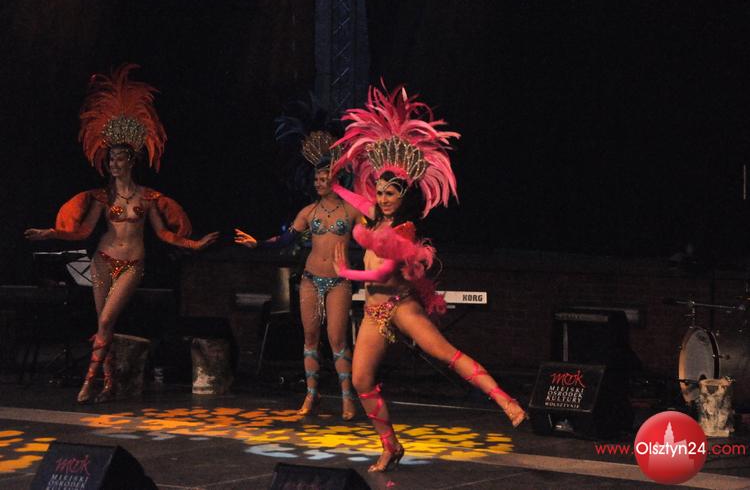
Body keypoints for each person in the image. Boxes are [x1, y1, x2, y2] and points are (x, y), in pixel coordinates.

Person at [329, 85, 527, 472]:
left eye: (391, 194)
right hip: (373, 313)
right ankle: (391, 446)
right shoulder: (374, 214)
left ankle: (506, 401)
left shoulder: (403, 230)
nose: (383, 198)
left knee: (444, 353)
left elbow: (384, 271)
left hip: (400, 306)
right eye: (380, 192)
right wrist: (334, 174)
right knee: (361, 379)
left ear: (404, 196)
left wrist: (346, 272)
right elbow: (347, 194)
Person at [24, 64, 218, 403]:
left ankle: (89, 383)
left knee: (107, 320)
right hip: (102, 260)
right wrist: (51, 232)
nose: (114, 164)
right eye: (111, 159)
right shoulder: (103, 197)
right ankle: (109, 384)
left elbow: (164, 235)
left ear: (131, 161)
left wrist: (195, 244)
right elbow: (83, 232)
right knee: (104, 324)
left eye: (119, 159)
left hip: (132, 264)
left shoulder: (148, 198)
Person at [235, 126, 362, 421]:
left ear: (336, 179)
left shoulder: (352, 211)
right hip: (310, 279)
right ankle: (311, 394)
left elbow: (372, 238)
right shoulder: (308, 212)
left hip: (339, 281)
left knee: (337, 340)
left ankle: (347, 397)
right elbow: (285, 240)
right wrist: (258, 243)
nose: (318, 183)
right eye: (316, 179)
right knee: (310, 337)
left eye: (323, 178)